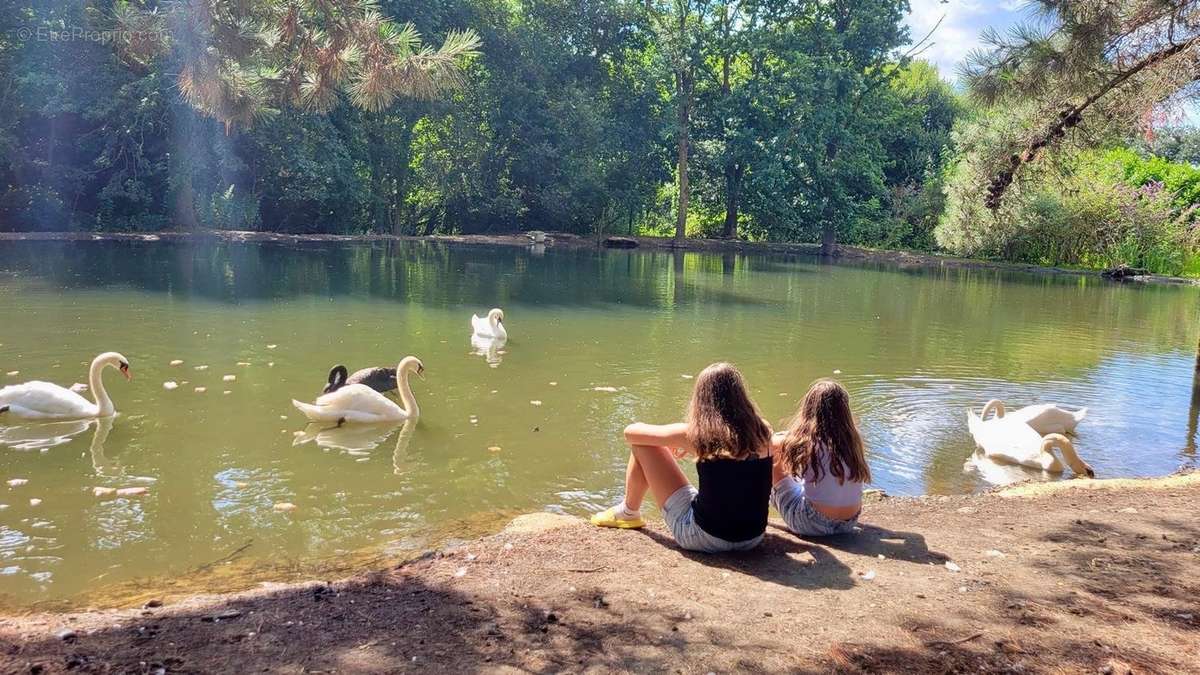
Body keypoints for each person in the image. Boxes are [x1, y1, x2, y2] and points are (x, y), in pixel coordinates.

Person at [590, 362, 773, 552]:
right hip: (753, 538)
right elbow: (734, 456)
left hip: (704, 538)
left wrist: (675, 439)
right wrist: (683, 443)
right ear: (741, 396)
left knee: (642, 445)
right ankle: (627, 512)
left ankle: (628, 512)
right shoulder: (763, 431)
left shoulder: (696, 435)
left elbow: (630, 433)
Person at [771, 379, 870, 536]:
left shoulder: (804, 440)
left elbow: (771, 442)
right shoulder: (853, 439)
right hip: (849, 522)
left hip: (810, 523)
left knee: (774, 460)